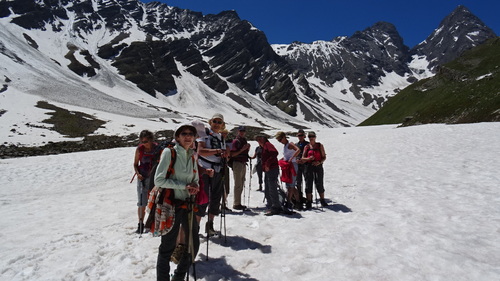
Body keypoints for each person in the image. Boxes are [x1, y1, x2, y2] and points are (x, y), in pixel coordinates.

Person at [154, 123, 200, 281]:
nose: (188, 136)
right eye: (184, 134)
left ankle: (179, 277)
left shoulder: (192, 155)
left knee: (193, 244)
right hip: (170, 205)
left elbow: (195, 179)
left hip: (187, 204)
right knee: (167, 247)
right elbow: (159, 180)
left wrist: (195, 187)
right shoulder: (169, 152)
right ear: (177, 137)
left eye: (191, 134)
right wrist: (184, 186)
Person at [196, 113, 228, 236]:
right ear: (210, 122)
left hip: (218, 170)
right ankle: (196, 226)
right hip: (205, 170)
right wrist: (218, 151)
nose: (217, 124)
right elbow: (200, 151)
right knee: (203, 198)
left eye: (219, 122)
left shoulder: (221, 138)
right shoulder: (204, 135)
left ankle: (210, 224)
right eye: (215, 121)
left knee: (216, 198)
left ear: (222, 125)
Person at [133, 130, 157, 234]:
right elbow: (135, 163)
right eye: (143, 141)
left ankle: (152, 223)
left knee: (154, 200)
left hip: (154, 178)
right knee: (142, 202)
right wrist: (138, 174)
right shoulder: (139, 149)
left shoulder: (157, 148)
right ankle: (140, 224)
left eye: (146, 141)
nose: (145, 143)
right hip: (142, 177)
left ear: (151, 139)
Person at [256, 135, 282, 216]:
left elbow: (274, 153)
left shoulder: (268, 145)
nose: (259, 141)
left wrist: (267, 164)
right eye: (257, 140)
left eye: (260, 139)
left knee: (272, 188)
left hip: (272, 169)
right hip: (269, 170)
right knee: (269, 187)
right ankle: (272, 205)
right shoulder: (265, 146)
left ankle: (276, 207)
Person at [275, 131, 301, 210]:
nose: (280, 142)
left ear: (284, 137)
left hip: (292, 165)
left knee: (291, 185)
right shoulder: (285, 146)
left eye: (280, 140)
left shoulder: (290, 144)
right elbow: (287, 155)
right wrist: (283, 159)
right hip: (287, 166)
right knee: (290, 185)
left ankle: (289, 202)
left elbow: (298, 150)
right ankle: (298, 202)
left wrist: (292, 158)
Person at [302, 131, 328, 209]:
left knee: (319, 182)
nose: (311, 138)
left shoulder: (320, 146)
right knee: (308, 183)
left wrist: (319, 162)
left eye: (312, 136)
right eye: (310, 137)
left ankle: (322, 200)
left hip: (318, 166)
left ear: (315, 137)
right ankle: (309, 201)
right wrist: (308, 158)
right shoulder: (306, 147)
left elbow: (324, 157)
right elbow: (303, 158)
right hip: (309, 166)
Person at [230, 126, 251, 210]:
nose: (242, 132)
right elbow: (232, 154)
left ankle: (238, 202)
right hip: (237, 163)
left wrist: (246, 150)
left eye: (243, 131)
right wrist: (243, 149)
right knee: (238, 184)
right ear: (238, 132)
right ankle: (236, 203)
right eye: (240, 131)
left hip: (242, 163)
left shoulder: (243, 141)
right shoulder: (236, 142)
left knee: (241, 183)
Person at [295, 129, 309, 205]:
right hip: (298, 165)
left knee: (307, 180)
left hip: (306, 165)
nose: (300, 137)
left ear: (304, 136)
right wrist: (297, 159)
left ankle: (308, 197)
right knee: (298, 181)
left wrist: (304, 160)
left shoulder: (308, 144)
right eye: (299, 135)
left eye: (301, 135)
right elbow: (294, 154)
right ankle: (299, 196)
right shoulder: (296, 144)